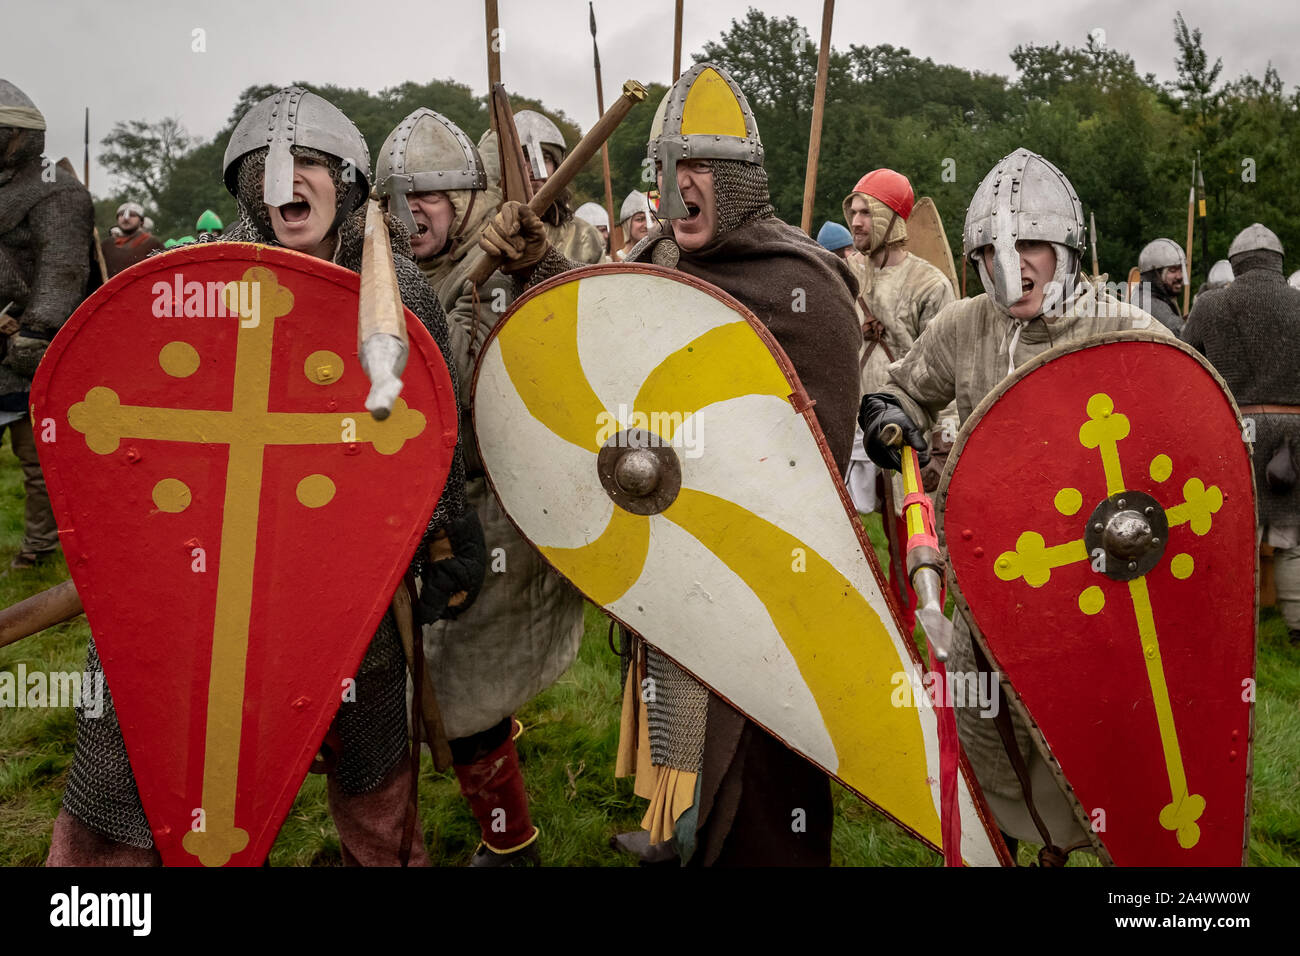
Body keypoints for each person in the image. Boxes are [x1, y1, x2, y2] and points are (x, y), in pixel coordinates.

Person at [46, 86, 483, 867]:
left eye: (310, 162)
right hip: (195, 567)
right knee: (130, 740)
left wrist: (447, 524)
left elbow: (426, 423)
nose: (290, 179)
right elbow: (124, 430)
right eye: (269, 167)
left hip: (344, 569)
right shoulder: (191, 285)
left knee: (373, 768)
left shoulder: (397, 292)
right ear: (249, 188)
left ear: (346, 179)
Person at [479, 61, 861, 867]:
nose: (679, 184)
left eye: (698, 169)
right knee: (678, 738)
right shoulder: (654, 260)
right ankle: (676, 834)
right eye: (667, 168)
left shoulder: (801, 283)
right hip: (670, 566)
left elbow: (807, 462)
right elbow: (606, 359)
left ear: (738, 179)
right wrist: (538, 270)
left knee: (765, 784)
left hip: (766, 584)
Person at [858, 147, 1167, 857]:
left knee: (1093, 750)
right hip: (988, 582)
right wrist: (890, 416)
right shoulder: (966, 324)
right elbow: (903, 388)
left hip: (1098, 593)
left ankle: (1089, 848)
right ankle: (1016, 842)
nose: (1012, 262)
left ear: (1066, 249)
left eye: (1030, 244)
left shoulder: (1127, 332)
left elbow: (1184, 438)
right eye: (996, 250)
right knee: (987, 738)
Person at [375, 106, 583, 865]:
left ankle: (510, 845)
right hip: (393, 517)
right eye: (398, 197)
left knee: (466, 697)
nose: (411, 212)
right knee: (400, 698)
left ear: (463, 200)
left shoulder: (501, 274)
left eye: (428, 195)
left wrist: (535, 269)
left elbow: (574, 339)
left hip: (487, 519)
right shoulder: (377, 279)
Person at [1183, 224, 1300, 645]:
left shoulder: (1209, 307)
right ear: (1278, 262)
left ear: (1235, 265)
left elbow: (1186, 368)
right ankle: (1297, 631)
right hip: (1294, 437)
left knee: (1234, 537)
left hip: (1234, 431)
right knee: (1291, 538)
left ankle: (1231, 629)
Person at [0, 79, 94, 570]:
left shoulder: (55, 189)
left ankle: (38, 548)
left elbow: (63, 267)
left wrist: (36, 330)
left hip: (30, 346)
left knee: (38, 462)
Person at [841, 169, 955, 517]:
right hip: (855, 423)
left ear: (889, 219)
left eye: (865, 213)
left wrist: (943, 441)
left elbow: (947, 366)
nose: (856, 223)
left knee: (913, 535)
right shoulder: (844, 274)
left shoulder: (929, 285)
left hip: (907, 426)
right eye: (853, 213)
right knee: (852, 533)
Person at [512, 109, 603, 264]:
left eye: (545, 158)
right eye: (525, 158)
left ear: (557, 167)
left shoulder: (584, 236)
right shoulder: (493, 233)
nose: (534, 168)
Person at [1134, 237, 1186, 337]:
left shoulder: (1147, 295)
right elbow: (1185, 337)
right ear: (1155, 275)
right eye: (1173, 270)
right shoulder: (1149, 303)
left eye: (1181, 269)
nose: (1180, 276)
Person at [100, 200, 162, 276]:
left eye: (132, 215)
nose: (126, 218)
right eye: (121, 215)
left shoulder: (152, 243)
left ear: (141, 221)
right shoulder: (107, 245)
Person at [613, 189, 656, 261]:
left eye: (652, 219)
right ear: (627, 225)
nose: (648, 226)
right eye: (640, 219)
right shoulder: (614, 260)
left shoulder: (661, 258)